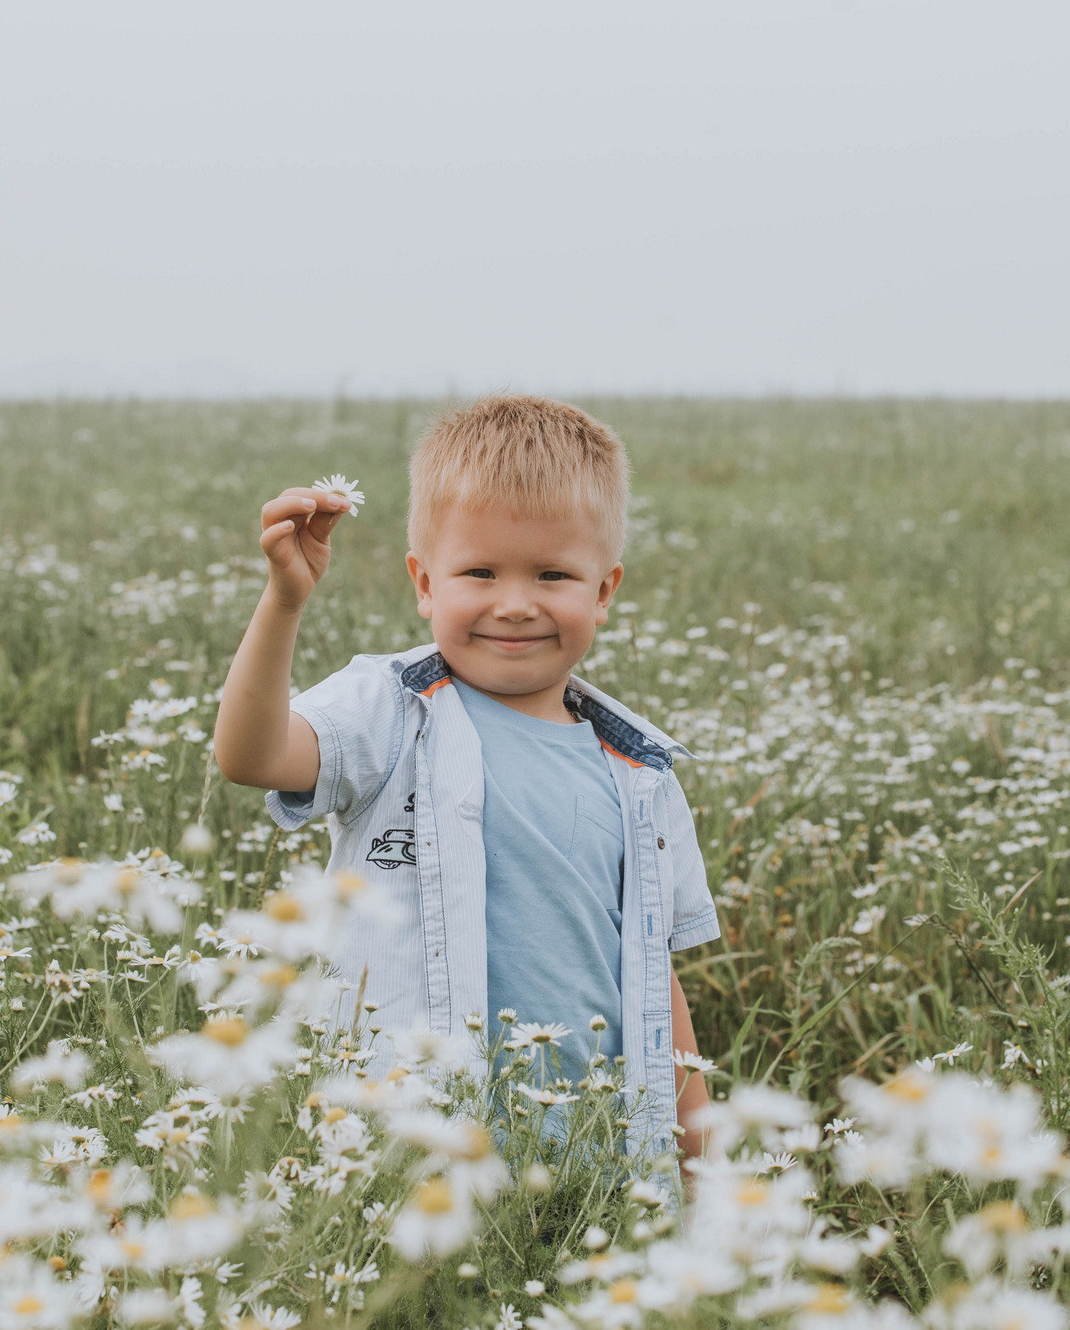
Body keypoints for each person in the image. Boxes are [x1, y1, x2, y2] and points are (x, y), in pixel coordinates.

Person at [213, 393, 720, 1180]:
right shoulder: (389, 712)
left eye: (553, 574)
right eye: (479, 571)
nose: (514, 604)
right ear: (424, 582)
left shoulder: (642, 775)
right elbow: (253, 755)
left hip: (593, 1174)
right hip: (413, 1162)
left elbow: (657, 981)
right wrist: (284, 601)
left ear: (604, 591)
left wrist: (698, 1166)